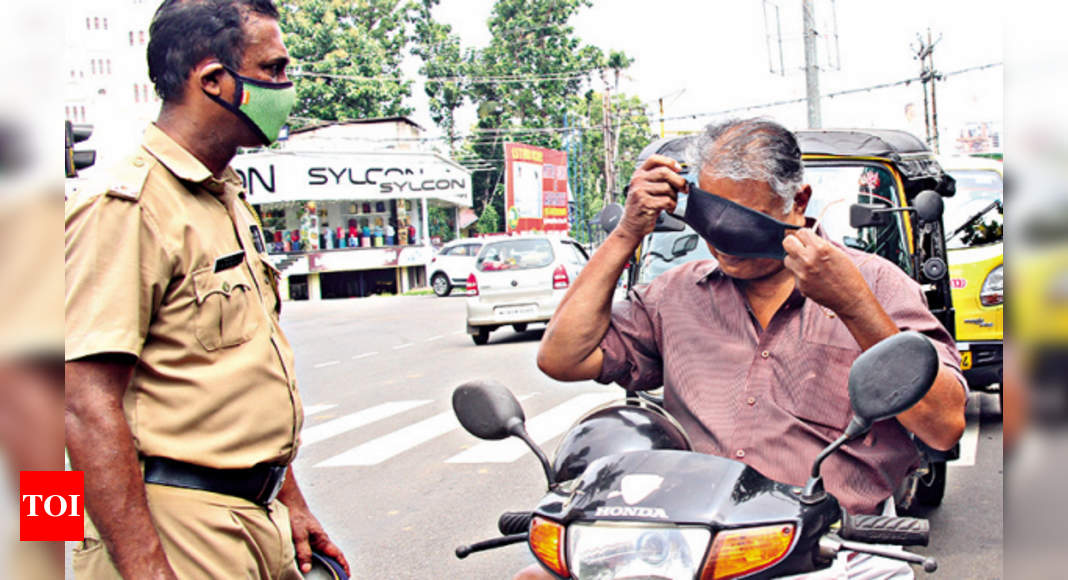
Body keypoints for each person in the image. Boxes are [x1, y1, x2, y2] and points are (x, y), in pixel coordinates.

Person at [531, 118, 967, 579]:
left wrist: (854, 305)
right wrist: (626, 234)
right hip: (693, 547)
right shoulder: (673, 296)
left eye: (741, 225)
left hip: (832, 552)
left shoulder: (877, 285)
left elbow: (943, 426)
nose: (722, 243)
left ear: (798, 201)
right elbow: (562, 358)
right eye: (709, 219)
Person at [64, 1, 349, 578]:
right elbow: (81, 401)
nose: (286, 88)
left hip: (255, 513)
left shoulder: (224, 197)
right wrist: (147, 567)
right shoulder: (125, 206)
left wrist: (289, 497)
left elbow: (238, 373)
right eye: (273, 71)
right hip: (175, 525)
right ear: (214, 81)